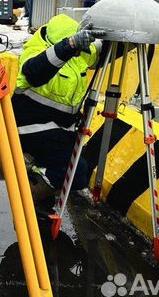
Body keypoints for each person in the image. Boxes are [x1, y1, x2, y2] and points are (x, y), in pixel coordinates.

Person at [12, 14, 105, 201]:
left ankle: (40, 169)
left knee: (81, 173)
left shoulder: (79, 52)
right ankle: (35, 178)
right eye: (73, 43)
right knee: (75, 175)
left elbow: (101, 53)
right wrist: (68, 46)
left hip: (59, 129)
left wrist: (130, 37)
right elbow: (34, 72)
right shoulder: (35, 50)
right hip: (31, 127)